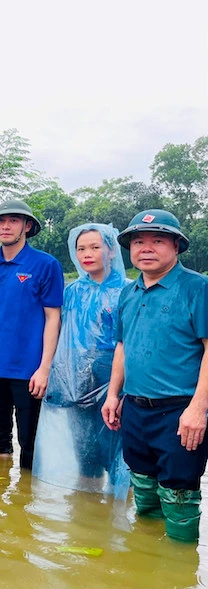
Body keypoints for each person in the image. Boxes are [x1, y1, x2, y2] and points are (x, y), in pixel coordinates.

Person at [102, 209, 208, 542]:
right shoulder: (128, 293)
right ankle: (144, 558)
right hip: (134, 408)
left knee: (180, 496)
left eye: (157, 240)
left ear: (176, 246)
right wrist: (113, 395)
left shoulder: (197, 288)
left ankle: (179, 565)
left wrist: (197, 409)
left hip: (180, 411)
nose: (146, 248)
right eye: (138, 241)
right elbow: (123, 346)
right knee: (143, 487)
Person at [33, 223, 129, 498]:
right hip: (76, 381)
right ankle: (85, 512)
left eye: (95, 247)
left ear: (110, 251)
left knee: (115, 450)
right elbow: (61, 335)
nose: (87, 254)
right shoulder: (72, 291)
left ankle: (116, 513)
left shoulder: (127, 290)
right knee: (84, 450)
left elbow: (130, 344)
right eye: (81, 248)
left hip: (113, 381)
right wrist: (54, 375)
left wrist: (121, 389)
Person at [0, 199, 63, 469]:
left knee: (30, 442)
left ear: (28, 225)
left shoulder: (45, 265)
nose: (6, 226)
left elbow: (52, 317)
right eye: (0, 221)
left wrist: (45, 368)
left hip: (29, 372)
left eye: (13, 220)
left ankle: (26, 502)